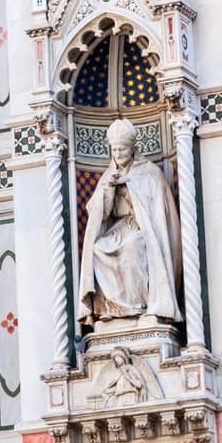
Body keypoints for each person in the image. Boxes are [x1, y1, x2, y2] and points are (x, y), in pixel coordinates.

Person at [78, 119, 182, 329]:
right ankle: (115, 309)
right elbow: (100, 212)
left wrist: (130, 188)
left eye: (122, 150)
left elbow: (156, 209)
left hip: (141, 228)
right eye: (115, 150)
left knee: (132, 244)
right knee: (98, 248)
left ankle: (141, 306)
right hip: (119, 227)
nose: (118, 155)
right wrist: (108, 189)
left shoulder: (149, 172)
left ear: (132, 149)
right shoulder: (109, 175)